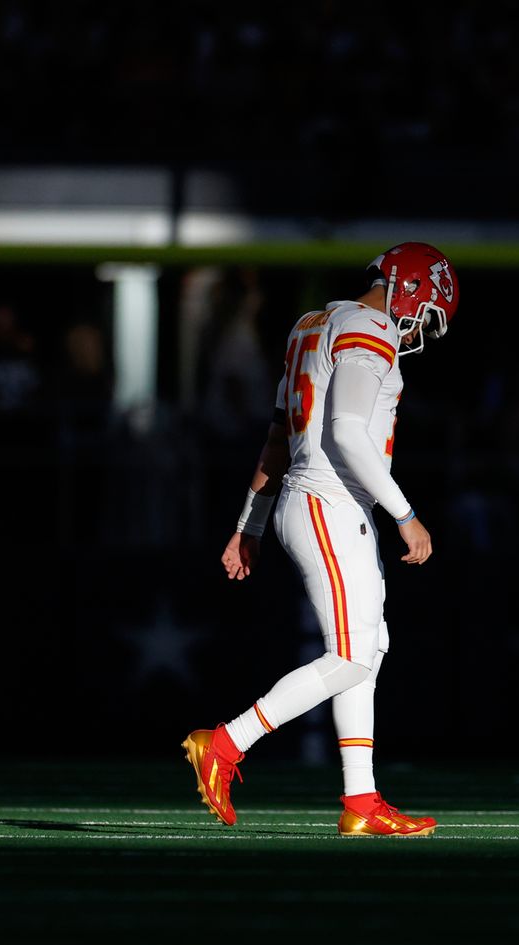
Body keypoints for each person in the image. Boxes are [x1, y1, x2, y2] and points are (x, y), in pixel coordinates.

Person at [183, 242, 460, 837]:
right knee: (353, 655)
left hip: (317, 501)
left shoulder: (311, 324)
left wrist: (250, 525)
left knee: (368, 648)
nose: (420, 331)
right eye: (427, 315)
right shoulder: (371, 327)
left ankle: (361, 799)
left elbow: (277, 436)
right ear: (410, 289)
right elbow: (348, 433)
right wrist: (406, 514)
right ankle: (225, 743)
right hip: (329, 502)